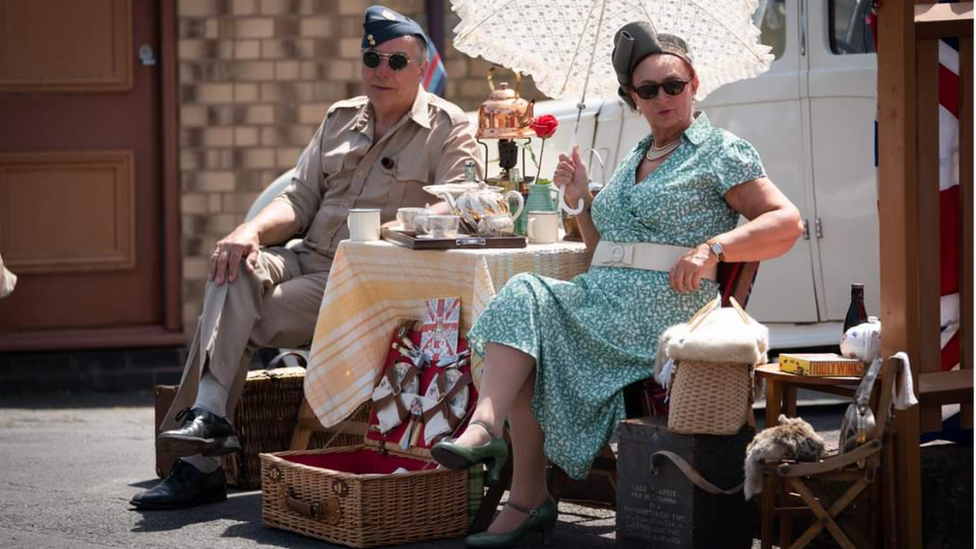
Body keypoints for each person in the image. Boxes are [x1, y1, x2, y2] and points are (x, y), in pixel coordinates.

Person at [430, 22, 803, 548]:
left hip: (663, 309)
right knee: (523, 304)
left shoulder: (721, 150)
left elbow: (788, 223)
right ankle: (493, 439)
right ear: (634, 98)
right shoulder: (637, 155)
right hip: (603, 297)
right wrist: (581, 200)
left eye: (673, 85)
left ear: (693, 84)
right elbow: (602, 251)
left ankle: (523, 491)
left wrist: (712, 248)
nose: (662, 98)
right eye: (647, 90)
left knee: (532, 317)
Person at [130, 5, 483, 511]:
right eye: (372, 58)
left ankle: (198, 463)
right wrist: (247, 230)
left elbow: (462, 202)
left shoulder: (448, 127)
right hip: (305, 259)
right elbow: (296, 200)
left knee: (235, 313)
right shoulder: (340, 118)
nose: (382, 71)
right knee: (233, 266)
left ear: (422, 69)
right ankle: (209, 419)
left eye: (397, 62)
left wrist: (389, 228)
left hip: (363, 280)